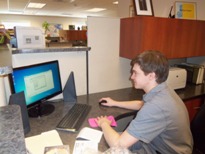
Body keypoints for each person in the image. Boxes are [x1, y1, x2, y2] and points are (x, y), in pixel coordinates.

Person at [95, 50, 193, 154]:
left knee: (108, 146)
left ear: (151, 76)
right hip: (156, 143)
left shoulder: (156, 105)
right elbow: (141, 104)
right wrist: (115, 102)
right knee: (106, 140)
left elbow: (118, 145)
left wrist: (104, 123)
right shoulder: (163, 90)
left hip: (163, 151)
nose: (131, 77)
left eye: (135, 73)